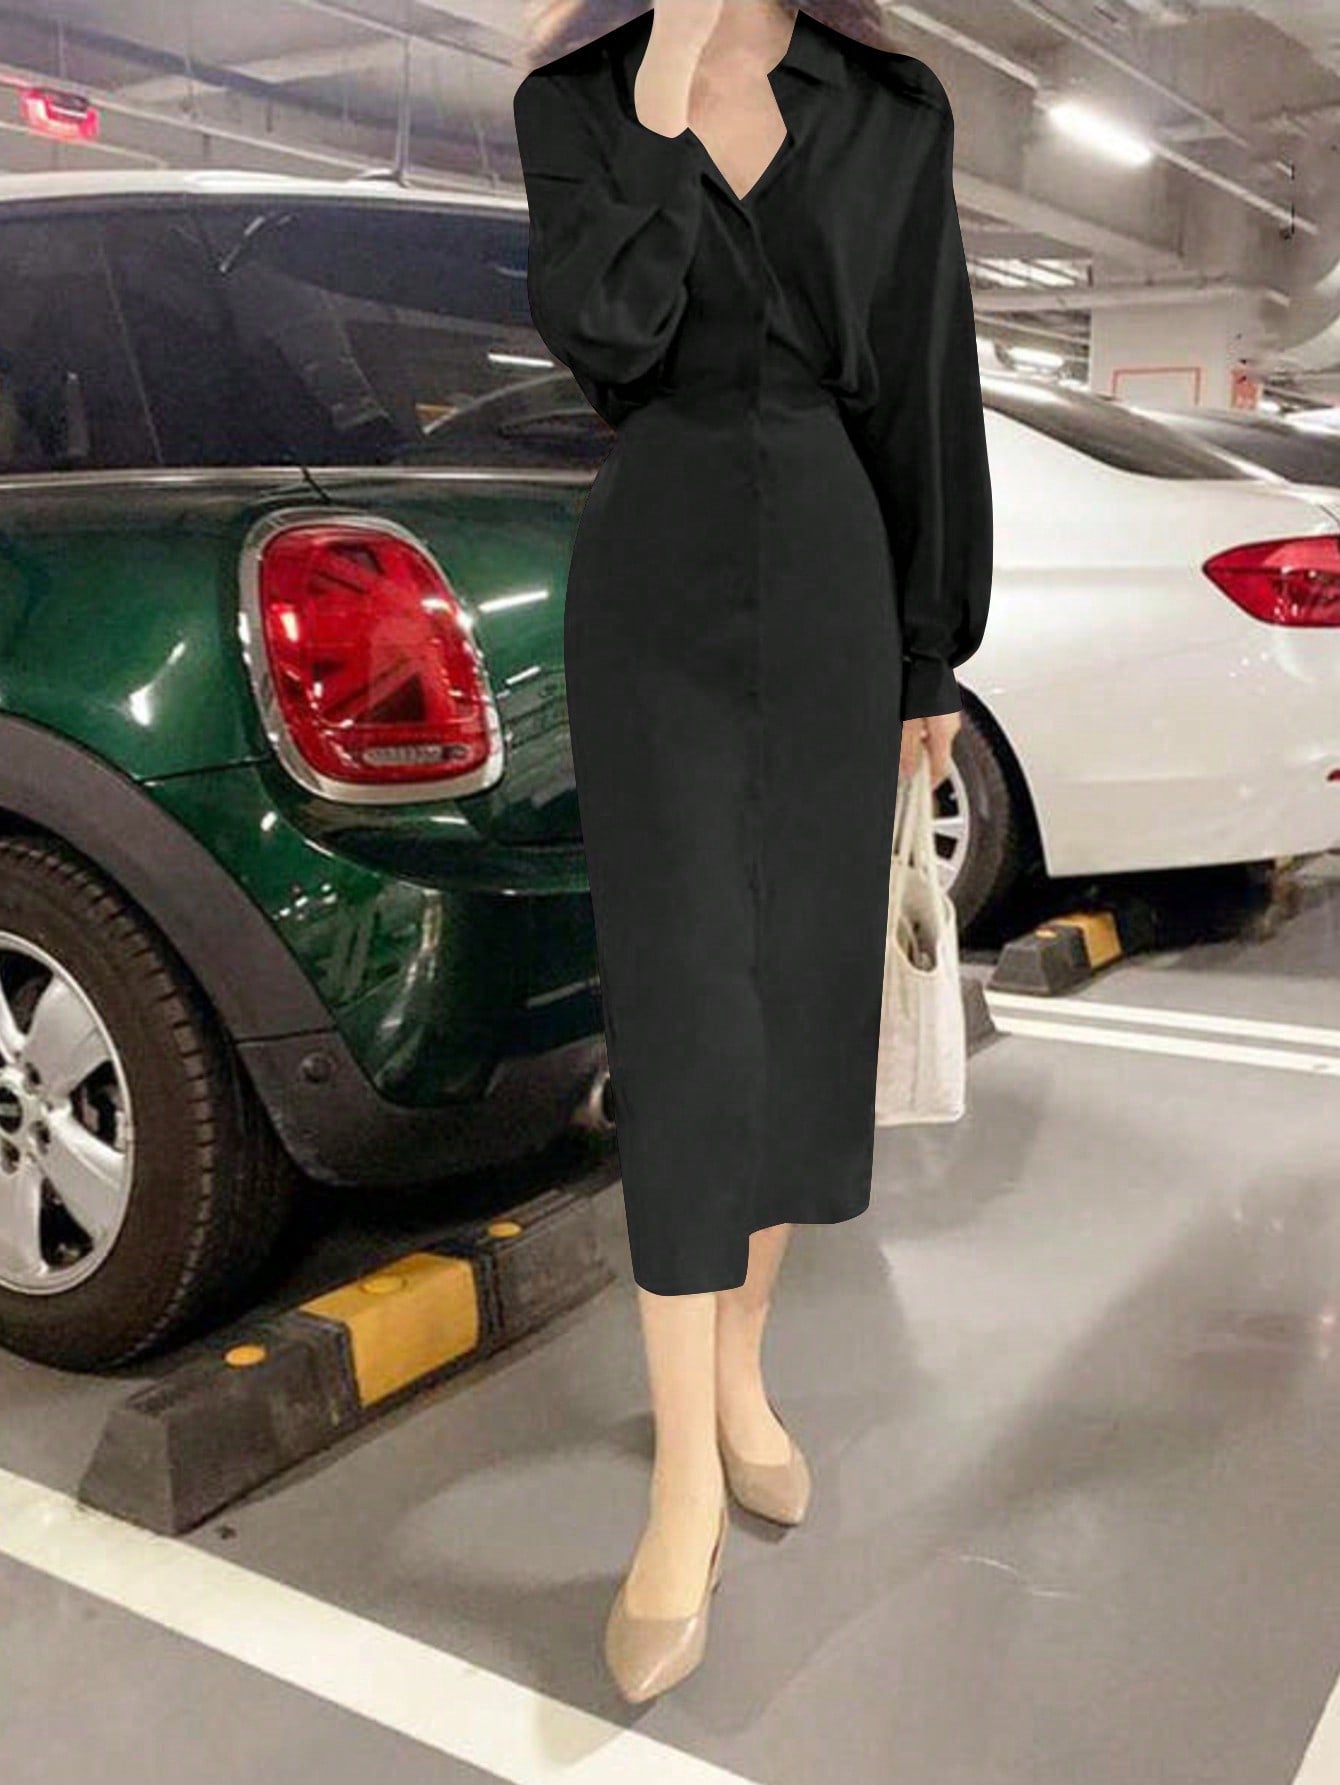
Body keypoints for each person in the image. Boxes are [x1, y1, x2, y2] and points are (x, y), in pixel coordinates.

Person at [513, 0, 992, 1701]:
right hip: (655, 577)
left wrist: (933, 652)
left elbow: (923, 372)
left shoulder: (890, 108)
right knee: (685, 1010)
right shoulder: (577, 100)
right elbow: (606, 336)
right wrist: (660, 89)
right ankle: (683, 1482)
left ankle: (737, 1370)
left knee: (795, 995)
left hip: (834, 574)